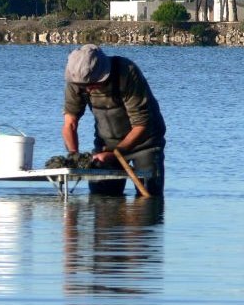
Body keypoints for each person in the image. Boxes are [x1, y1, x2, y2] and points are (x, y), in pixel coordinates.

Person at [62, 44, 166, 195]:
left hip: (145, 143)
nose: (88, 89)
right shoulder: (76, 80)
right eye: (83, 86)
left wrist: (117, 152)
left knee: (149, 197)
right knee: (101, 198)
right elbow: (70, 124)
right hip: (105, 146)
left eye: (92, 84)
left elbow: (141, 125)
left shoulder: (126, 72)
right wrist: (73, 155)